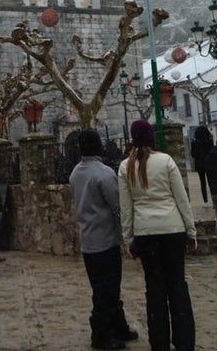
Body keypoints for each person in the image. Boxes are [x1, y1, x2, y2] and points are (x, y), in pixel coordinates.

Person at [119, 120, 197, 351]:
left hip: (146, 232)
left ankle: (159, 342)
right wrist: (191, 230)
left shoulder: (125, 167)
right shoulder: (166, 161)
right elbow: (181, 198)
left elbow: (126, 208)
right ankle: (184, 342)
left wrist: (128, 239)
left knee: (154, 289)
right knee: (177, 285)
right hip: (172, 229)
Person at [69, 129, 138, 350]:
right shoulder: (104, 173)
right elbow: (118, 206)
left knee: (103, 287)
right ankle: (101, 335)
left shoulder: (75, 173)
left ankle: (119, 326)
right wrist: (127, 234)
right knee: (107, 290)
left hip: (88, 240)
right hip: (106, 240)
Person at [189, 126, 214, 204]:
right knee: (211, 181)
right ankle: (214, 197)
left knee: (202, 182)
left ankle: (205, 199)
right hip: (209, 163)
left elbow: (193, 154)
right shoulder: (210, 141)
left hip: (199, 164)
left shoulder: (194, 143)